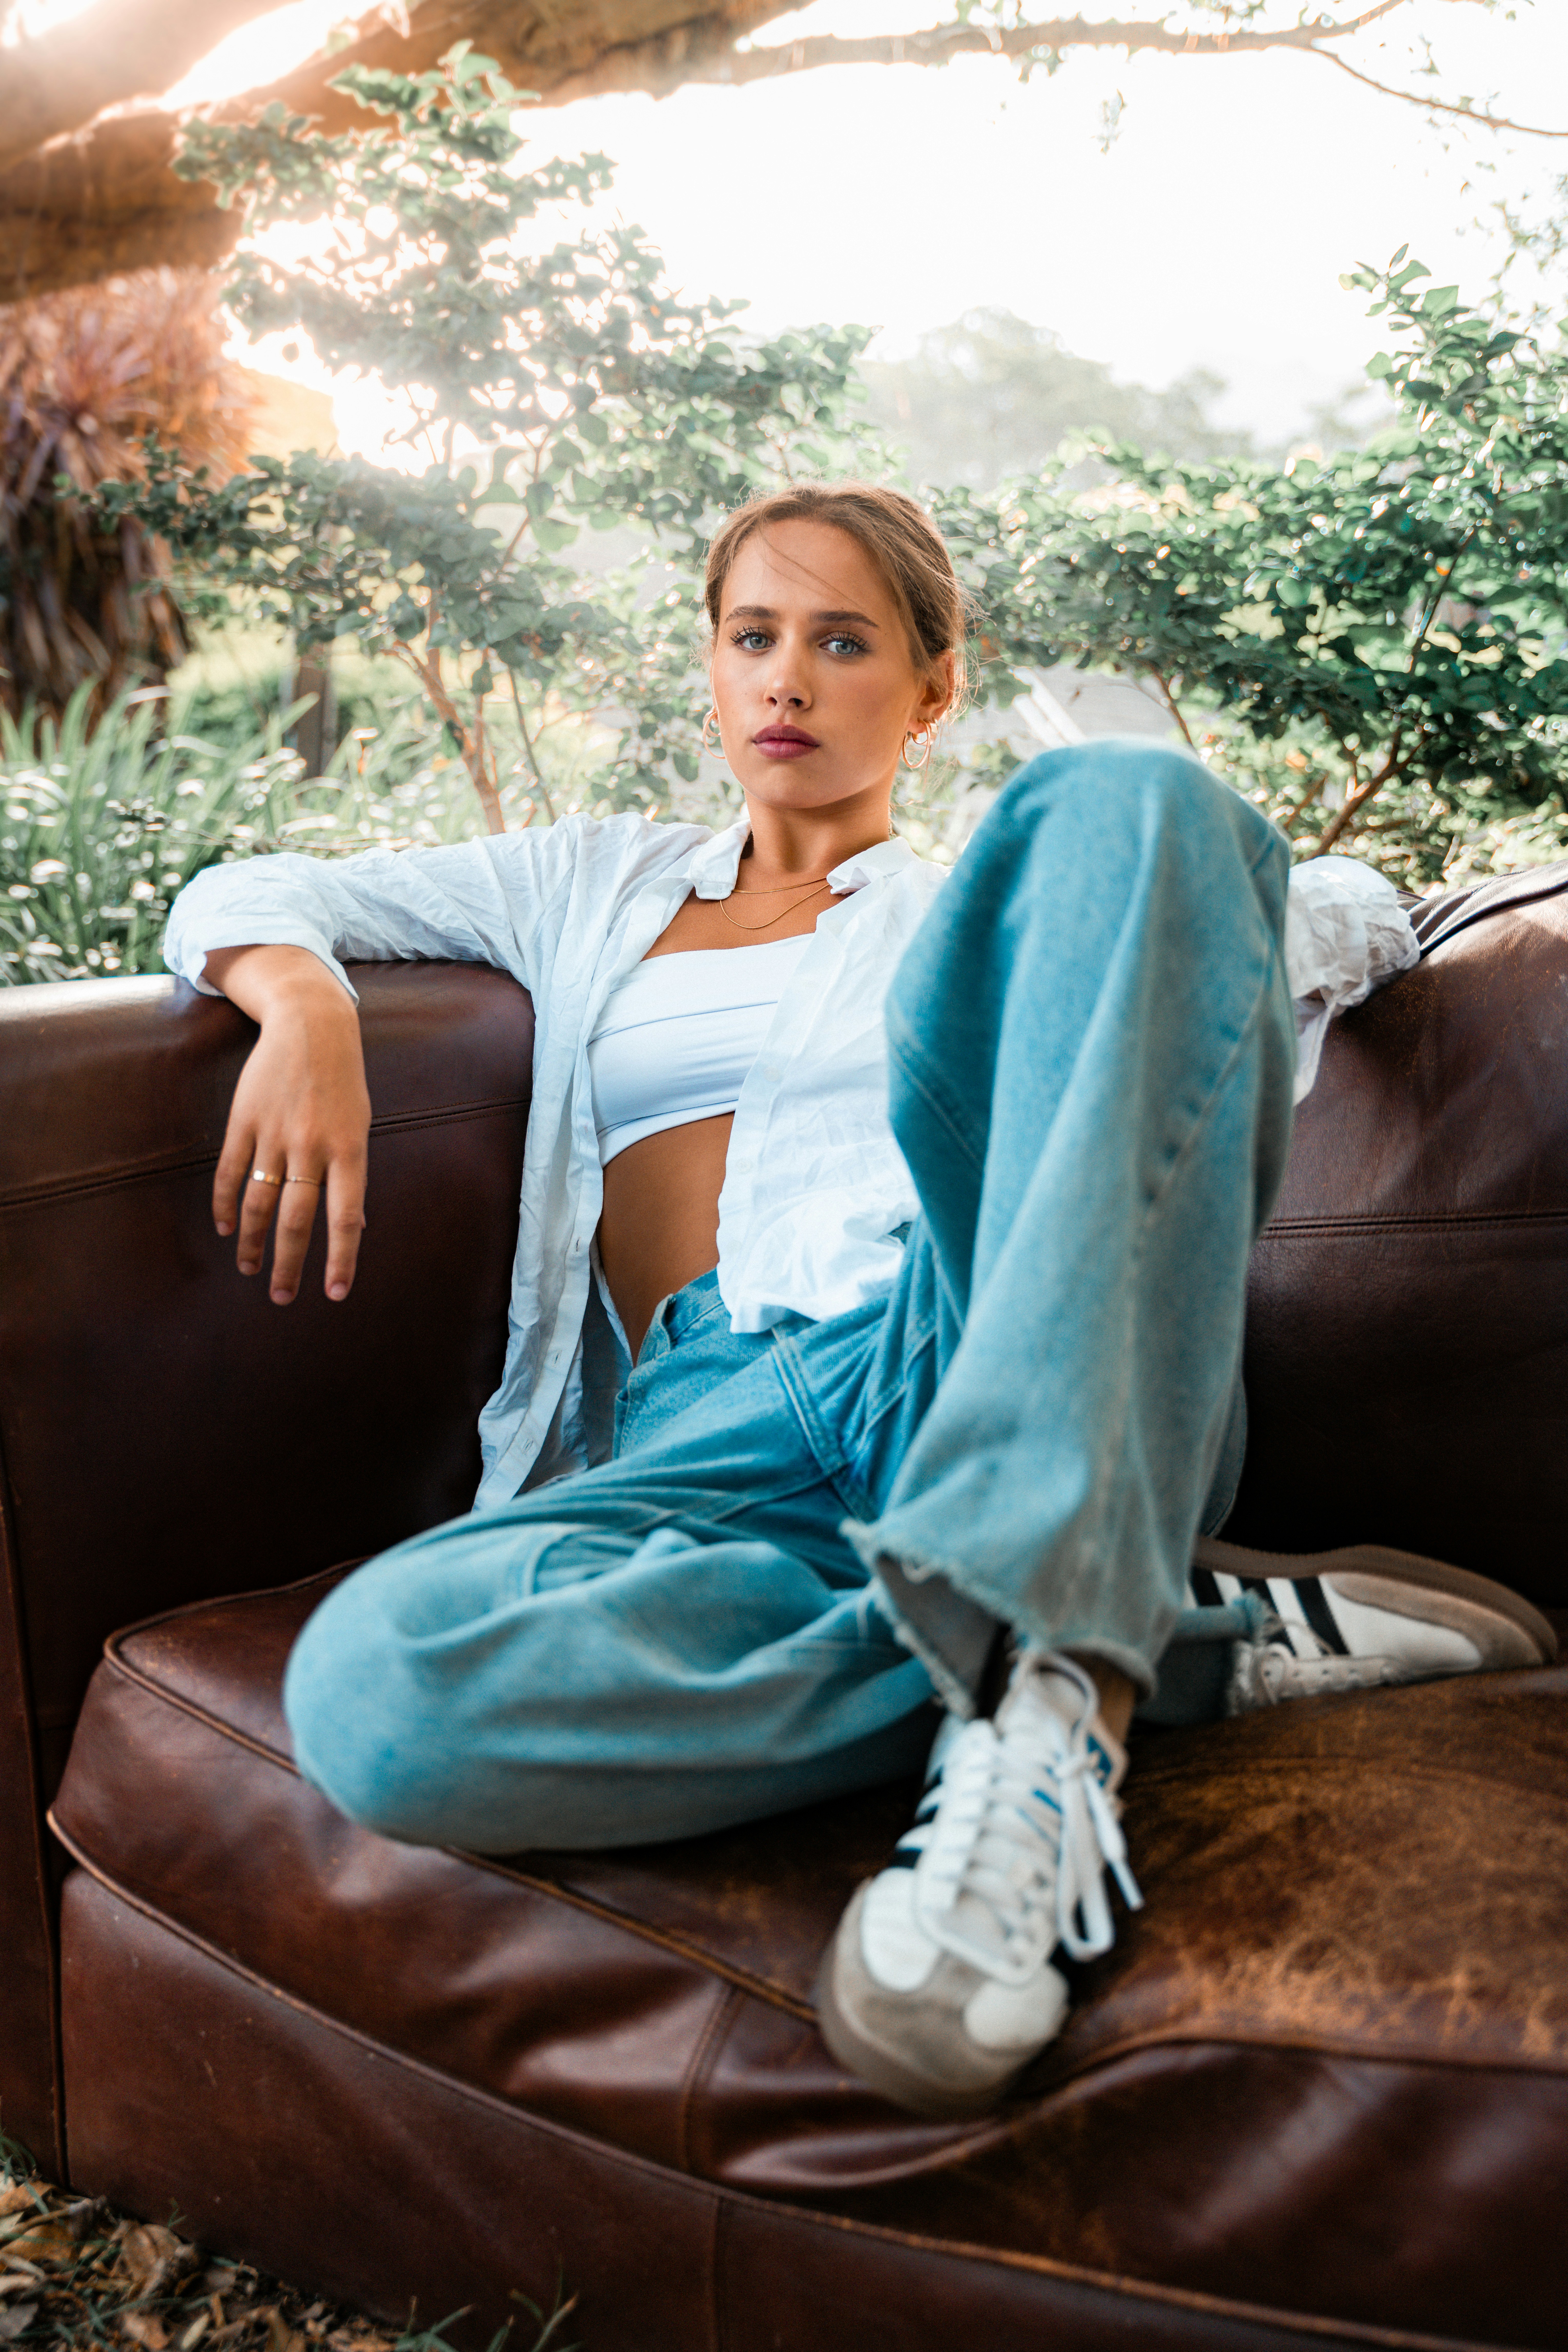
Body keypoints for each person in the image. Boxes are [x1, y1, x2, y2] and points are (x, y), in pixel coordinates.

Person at [164, 481, 1552, 2123]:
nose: (787, 681)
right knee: (379, 1695)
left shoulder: (965, 907)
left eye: (842, 642)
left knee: (1132, 800)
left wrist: (1109, 913)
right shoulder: (591, 884)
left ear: (931, 686)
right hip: (700, 1443)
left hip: (958, 1350)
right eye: (753, 636)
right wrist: (305, 1005)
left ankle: (1050, 1724)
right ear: (709, 665)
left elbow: (1319, 913)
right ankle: (1155, 1638)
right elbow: (252, 888)